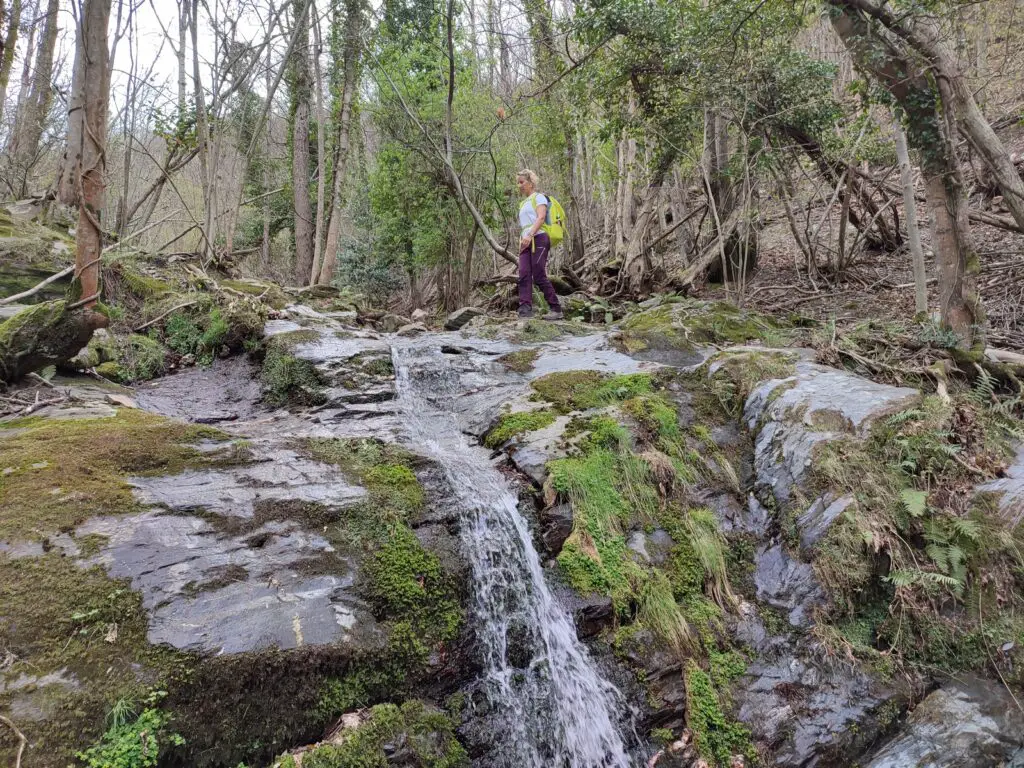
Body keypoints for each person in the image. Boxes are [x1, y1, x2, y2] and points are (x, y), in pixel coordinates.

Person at [515, 170, 563, 320]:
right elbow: (525, 225)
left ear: (530, 183)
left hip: (539, 238)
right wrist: (524, 238)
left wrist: (530, 235)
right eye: (518, 182)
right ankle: (525, 310)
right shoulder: (523, 203)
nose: (519, 186)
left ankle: (556, 308)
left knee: (538, 274)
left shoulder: (539, 197)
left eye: (522, 182)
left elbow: (541, 217)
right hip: (525, 241)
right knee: (523, 274)